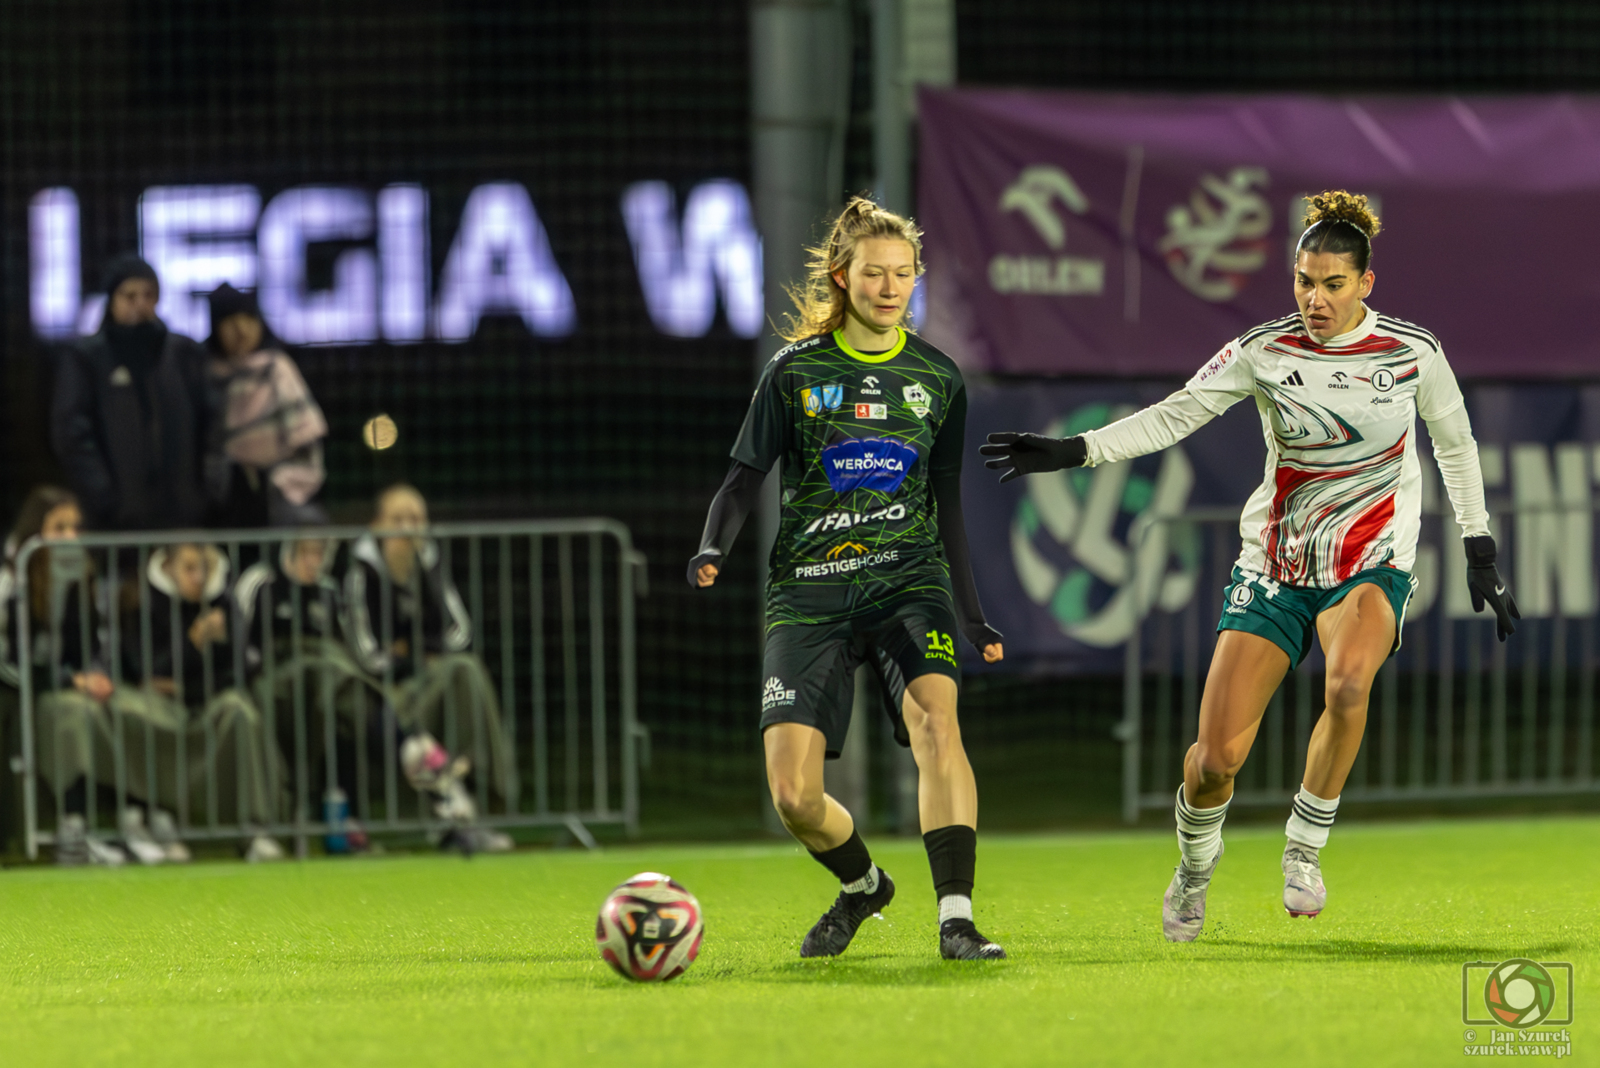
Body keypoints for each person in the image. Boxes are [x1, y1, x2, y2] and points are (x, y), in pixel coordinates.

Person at [981, 191, 1519, 941]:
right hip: (1275, 566)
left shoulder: (1412, 353)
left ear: (1366, 283)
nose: (1315, 297)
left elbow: (1455, 446)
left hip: (1370, 560)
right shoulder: (1264, 350)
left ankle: (1305, 847)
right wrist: (1078, 450)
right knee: (1215, 761)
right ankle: (1195, 867)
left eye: (1333, 284)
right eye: (1304, 280)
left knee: (1350, 679)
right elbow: (1178, 411)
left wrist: (1479, 545)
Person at [689, 196, 1007, 961]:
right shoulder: (795, 373)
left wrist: (971, 613)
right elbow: (742, 480)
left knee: (938, 722)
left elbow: (947, 502)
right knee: (793, 797)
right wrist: (711, 547)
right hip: (809, 592)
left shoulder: (938, 377)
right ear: (843, 276)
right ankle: (865, 887)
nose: (890, 287)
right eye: (874, 273)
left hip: (908, 578)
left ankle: (956, 920)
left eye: (904, 274)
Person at [343, 484, 512, 852]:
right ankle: (476, 795)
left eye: (417, 519)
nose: (408, 529)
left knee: (465, 671)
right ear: (376, 525)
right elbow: (367, 654)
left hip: (437, 680)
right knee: (461, 673)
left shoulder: (430, 565)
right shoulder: (361, 574)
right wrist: (416, 659)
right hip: (390, 693)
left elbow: (460, 631)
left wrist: (412, 650)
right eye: (398, 519)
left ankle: (476, 795)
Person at [117, 542, 287, 860]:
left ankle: (254, 829)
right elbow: (144, 668)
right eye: (190, 568)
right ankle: (156, 823)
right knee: (135, 710)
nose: (199, 577)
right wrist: (193, 645)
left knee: (240, 711)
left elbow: (238, 666)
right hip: (158, 704)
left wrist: (185, 682)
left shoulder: (224, 601)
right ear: (168, 568)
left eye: (205, 568)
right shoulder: (140, 599)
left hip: (209, 699)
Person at [50, 255, 210, 531]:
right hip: (115, 523)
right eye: (129, 295)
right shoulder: (87, 358)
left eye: (149, 294)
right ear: (111, 299)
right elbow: (71, 432)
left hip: (181, 519)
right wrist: (104, 497)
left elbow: (212, 424)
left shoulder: (184, 354)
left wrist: (204, 492)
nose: (140, 303)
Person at [235, 535, 382, 823]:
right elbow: (242, 645)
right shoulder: (260, 582)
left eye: (320, 553)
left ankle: (344, 816)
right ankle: (408, 745)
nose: (314, 561)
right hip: (271, 680)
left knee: (343, 703)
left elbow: (346, 646)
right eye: (306, 552)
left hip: (322, 685)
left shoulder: (329, 591)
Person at [204, 284, 328, 528]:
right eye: (230, 322)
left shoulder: (277, 370)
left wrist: (278, 486)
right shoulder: (203, 375)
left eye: (249, 320)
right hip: (221, 506)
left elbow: (306, 444)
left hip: (278, 505)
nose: (241, 331)